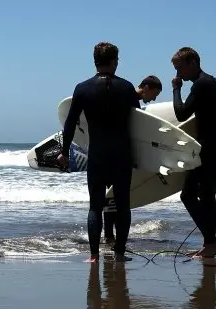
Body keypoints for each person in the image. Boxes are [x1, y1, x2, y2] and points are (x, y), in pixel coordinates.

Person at [57, 42, 141, 263]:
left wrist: (64, 152)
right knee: (123, 205)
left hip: (97, 155)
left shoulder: (82, 88)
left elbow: (70, 124)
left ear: (95, 61)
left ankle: (94, 256)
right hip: (121, 154)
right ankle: (120, 253)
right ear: (114, 61)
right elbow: (140, 125)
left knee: (95, 205)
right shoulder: (127, 88)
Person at [171, 47, 216, 258]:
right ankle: (210, 242)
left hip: (208, 147)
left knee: (195, 196)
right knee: (202, 195)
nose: (178, 74)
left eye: (180, 68)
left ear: (193, 62)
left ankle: (211, 243)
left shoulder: (202, 84)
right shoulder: (210, 82)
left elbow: (181, 113)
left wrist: (176, 89)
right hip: (213, 145)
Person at [101, 75, 163, 245]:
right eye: (154, 95)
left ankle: (109, 235)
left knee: (111, 195)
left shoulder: (124, 97)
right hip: (119, 153)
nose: (153, 100)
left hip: (106, 151)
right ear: (147, 87)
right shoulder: (130, 98)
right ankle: (110, 237)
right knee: (115, 197)